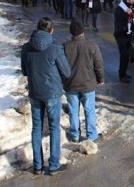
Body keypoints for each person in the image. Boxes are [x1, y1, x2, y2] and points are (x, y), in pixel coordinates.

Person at [21, 17, 71, 176]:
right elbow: (67, 72)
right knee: (54, 128)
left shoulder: (26, 48)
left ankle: (37, 165)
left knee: (36, 128)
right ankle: (54, 165)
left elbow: (24, 71)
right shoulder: (56, 48)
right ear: (51, 30)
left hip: (35, 91)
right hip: (52, 93)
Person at [63, 20, 105, 142]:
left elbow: (60, 66)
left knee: (73, 110)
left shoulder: (65, 46)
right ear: (82, 32)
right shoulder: (92, 46)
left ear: (71, 32)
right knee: (89, 109)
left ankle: (75, 134)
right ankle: (91, 135)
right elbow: (99, 64)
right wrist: (100, 79)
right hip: (88, 84)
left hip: (70, 84)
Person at [114, 0, 134, 83]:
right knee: (124, 56)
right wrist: (127, 14)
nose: (133, 1)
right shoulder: (120, 9)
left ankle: (125, 72)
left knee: (130, 52)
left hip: (128, 34)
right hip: (121, 35)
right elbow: (119, 20)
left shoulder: (130, 7)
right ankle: (122, 74)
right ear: (127, 0)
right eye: (132, 0)